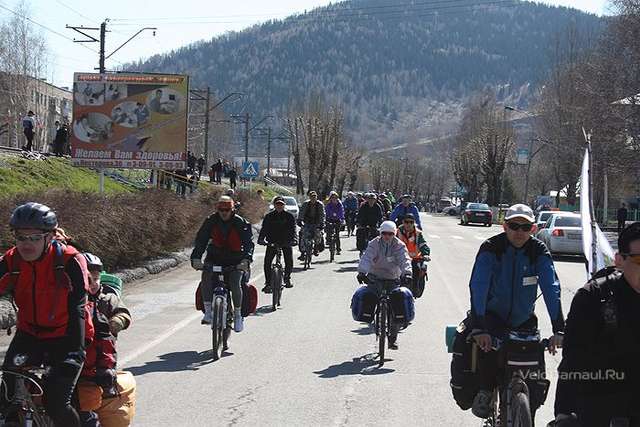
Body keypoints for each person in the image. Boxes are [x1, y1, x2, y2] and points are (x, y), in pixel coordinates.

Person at [468, 203, 564, 419]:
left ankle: (528, 408)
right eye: (514, 226)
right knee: (487, 348)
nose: (519, 232)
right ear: (504, 227)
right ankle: (486, 390)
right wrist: (479, 327)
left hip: (524, 319)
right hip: (493, 317)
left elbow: (551, 288)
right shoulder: (491, 248)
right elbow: (478, 286)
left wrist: (559, 329)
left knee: (534, 368)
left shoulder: (538, 250)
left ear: (533, 229)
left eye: (525, 227)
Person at [0, 203, 91, 427]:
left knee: (56, 403)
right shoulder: (12, 260)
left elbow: (78, 307)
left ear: (49, 237)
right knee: (6, 397)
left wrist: (74, 352)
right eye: (21, 237)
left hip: (67, 335)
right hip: (29, 333)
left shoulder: (69, 261)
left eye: (34, 238)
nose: (26, 244)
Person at [552, 222, 640, 427]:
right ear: (619, 260)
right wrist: (564, 412)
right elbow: (573, 360)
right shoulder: (594, 298)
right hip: (602, 402)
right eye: (639, 260)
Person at [79, 253, 131, 427]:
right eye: (89, 279)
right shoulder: (74, 300)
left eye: (96, 279)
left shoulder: (108, 298)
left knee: (94, 397)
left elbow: (123, 313)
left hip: (101, 359)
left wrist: (117, 322)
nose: (93, 283)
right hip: (78, 357)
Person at [190, 196, 254, 332]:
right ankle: (208, 312)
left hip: (236, 259)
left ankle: (238, 315)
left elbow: (248, 243)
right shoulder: (210, 221)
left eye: (227, 210)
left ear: (232, 210)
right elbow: (201, 240)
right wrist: (196, 258)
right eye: (221, 210)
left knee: (235, 282)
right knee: (206, 276)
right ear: (217, 209)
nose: (224, 212)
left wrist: (246, 260)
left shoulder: (240, 222)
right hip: (215, 257)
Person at [356, 221, 412, 349]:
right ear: (380, 233)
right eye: (384, 233)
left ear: (394, 233)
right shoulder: (374, 243)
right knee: (369, 297)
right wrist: (362, 272)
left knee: (397, 306)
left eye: (390, 234)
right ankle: (371, 317)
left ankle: (393, 339)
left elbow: (404, 259)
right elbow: (367, 257)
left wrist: (407, 273)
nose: (387, 236)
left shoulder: (399, 245)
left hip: (393, 278)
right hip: (375, 277)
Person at [258, 196, 296, 292]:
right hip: (272, 242)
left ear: (284, 205)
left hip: (286, 242)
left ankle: (287, 279)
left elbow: (293, 230)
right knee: (267, 262)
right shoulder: (269, 216)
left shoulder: (289, 216)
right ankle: (268, 283)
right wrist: (261, 239)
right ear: (274, 205)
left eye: (281, 204)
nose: (279, 206)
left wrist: (294, 239)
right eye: (277, 204)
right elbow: (264, 229)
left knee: (289, 260)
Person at [396, 213, 430, 297]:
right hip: (400, 259)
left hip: (415, 259)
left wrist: (426, 254)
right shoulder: (397, 232)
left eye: (411, 222)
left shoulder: (418, 233)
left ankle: (413, 294)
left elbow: (423, 245)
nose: (408, 224)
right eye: (406, 222)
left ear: (414, 223)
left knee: (416, 272)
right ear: (403, 222)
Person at [297, 191, 326, 261]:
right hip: (307, 223)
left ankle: (316, 247)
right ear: (309, 197)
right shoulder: (306, 204)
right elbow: (301, 213)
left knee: (318, 234)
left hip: (317, 223)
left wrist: (322, 223)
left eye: (314, 196)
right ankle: (302, 252)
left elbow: (322, 215)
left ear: (316, 197)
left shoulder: (320, 204)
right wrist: (299, 221)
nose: (313, 198)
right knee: (303, 235)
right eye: (312, 197)